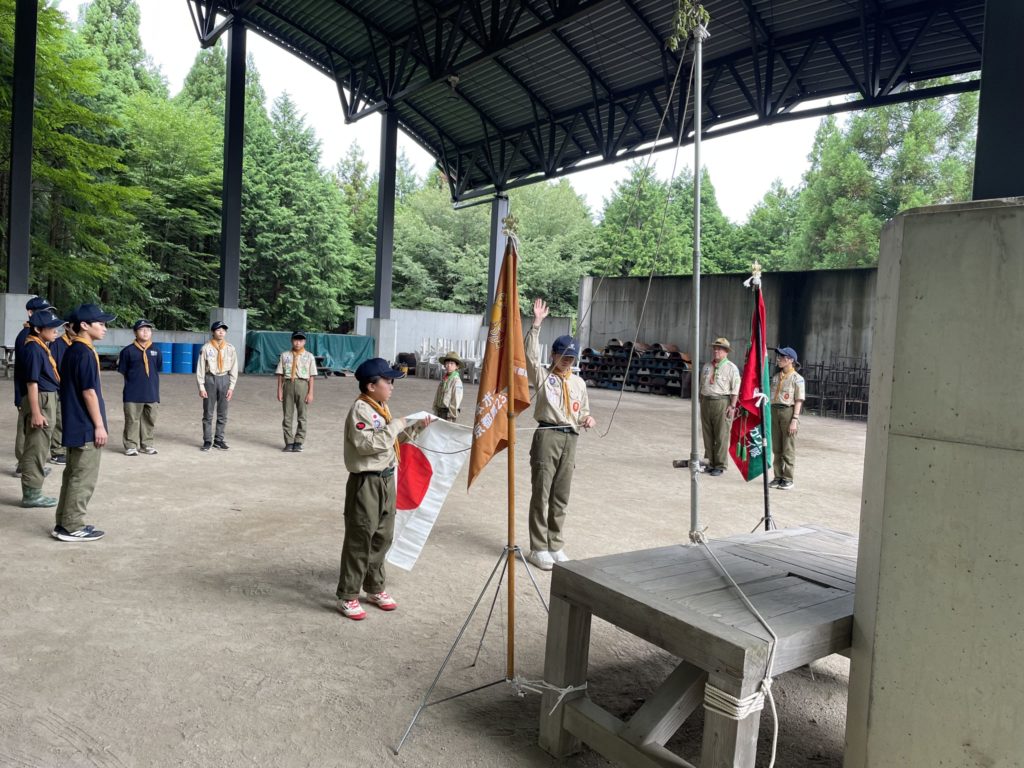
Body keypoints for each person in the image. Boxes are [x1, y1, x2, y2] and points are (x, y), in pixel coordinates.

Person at [335, 358, 431, 620]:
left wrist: (414, 427)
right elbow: (367, 445)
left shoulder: (380, 407)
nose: (391, 386)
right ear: (371, 386)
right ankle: (348, 594)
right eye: (387, 381)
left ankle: (374, 586)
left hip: (387, 478)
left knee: (383, 535)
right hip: (366, 481)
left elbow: (390, 441)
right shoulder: (361, 410)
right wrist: (398, 424)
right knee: (360, 537)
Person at [524, 298, 596, 572]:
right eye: (563, 355)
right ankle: (538, 547)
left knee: (561, 494)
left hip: (570, 438)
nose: (567, 361)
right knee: (541, 492)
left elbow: (582, 410)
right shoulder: (543, 376)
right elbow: (530, 356)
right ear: (553, 355)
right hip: (548, 435)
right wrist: (537, 324)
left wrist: (587, 418)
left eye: (571, 357)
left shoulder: (578, 382)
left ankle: (555, 544)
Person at [53, 303, 115, 542]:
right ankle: (73, 526)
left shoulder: (73, 350)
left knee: (72, 474)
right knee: (83, 477)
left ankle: (63, 522)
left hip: (74, 422)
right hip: (85, 424)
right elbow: (89, 392)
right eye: (100, 323)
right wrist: (99, 425)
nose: (104, 328)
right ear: (85, 326)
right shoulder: (85, 353)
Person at [14, 308, 65, 507]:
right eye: (52, 328)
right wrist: (36, 412)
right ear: (37, 329)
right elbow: (32, 382)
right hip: (40, 399)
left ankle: (33, 488)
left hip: (46, 396)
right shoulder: (33, 348)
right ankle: (32, 494)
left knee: (39, 446)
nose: (56, 331)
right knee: (36, 447)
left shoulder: (40, 346)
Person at [13, 296, 52, 472]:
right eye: (43, 312)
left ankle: (28, 465)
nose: (47, 316)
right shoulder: (27, 337)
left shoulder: (35, 337)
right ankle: (23, 465)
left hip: (32, 390)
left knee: (31, 431)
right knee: (27, 429)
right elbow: (28, 373)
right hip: (27, 391)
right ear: (30, 313)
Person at [117, 319, 162, 456]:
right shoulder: (127, 351)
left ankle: (147, 444)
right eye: (142, 330)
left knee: (150, 419)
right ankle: (131, 445)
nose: (145, 332)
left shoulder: (156, 350)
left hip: (152, 392)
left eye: (148, 330)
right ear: (135, 333)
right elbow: (123, 370)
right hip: (133, 392)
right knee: (132, 420)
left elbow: (157, 368)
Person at [699, 337, 740, 476]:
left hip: (722, 402)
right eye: (715, 349)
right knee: (707, 433)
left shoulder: (731, 368)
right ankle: (710, 462)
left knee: (721, 435)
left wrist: (732, 406)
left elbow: (735, 389)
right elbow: (702, 384)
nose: (716, 351)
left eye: (720, 349)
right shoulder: (707, 366)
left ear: (726, 352)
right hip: (706, 401)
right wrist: (701, 400)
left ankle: (720, 465)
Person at [196, 320, 238, 451]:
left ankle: (219, 440)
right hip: (210, 379)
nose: (221, 332)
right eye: (218, 330)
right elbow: (200, 369)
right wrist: (201, 387)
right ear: (213, 332)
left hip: (224, 379)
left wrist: (231, 387)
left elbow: (234, 368)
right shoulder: (206, 348)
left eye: (223, 330)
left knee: (222, 413)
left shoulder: (230, 348)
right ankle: (207, 440)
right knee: (208, 412)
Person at [769, 346, 805, 490]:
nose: (778, 359)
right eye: (779, 356)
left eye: (782, 357)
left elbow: (798, 400)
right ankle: (778, 476)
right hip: (775, 411)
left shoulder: (797, 379)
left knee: (788, 447)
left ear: (790, 360)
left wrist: (794, 419)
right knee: (777, 447)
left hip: (788, 412)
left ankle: (788, 478)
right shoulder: (776, 377)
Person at [276, 331, 317, 452]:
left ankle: (298, 441)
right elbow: (280, 374)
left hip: (303, 384)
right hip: (288, 384)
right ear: (291, 341)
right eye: (295, 340)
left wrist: (310, 393)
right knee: (287, 415)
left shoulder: (309, 356)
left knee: (302, 415)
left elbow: (311, 376)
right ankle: (289, 442)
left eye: (300, 340)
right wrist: (279, 390)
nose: (298, 343)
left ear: (304, 342)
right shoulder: (285, 355)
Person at [48, 320, 74, 466]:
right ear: (66, 327)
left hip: (74, 389)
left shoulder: (79, 344)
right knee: (59, 420)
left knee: (70, 418)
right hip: (61, 388)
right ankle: (57, 452)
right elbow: (53, 368)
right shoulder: (57, 344)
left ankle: (67, 447)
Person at [432, 351, 464, 422]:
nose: (449, 365)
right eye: (447, 363)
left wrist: (450, 415)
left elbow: (456, 399)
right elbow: (437, 394)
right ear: (444, 365)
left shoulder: (456, 381)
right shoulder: (444, 379)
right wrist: (435, 408)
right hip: (439, 411)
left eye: (452, 363)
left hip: (448, 414)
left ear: (457, 366)